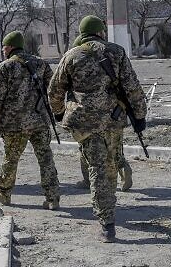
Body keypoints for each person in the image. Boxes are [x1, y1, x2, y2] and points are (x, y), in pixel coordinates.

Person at [49, 16, 147, 243]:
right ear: (101, 32)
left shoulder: (71, 56)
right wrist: (140, 116)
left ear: (82, 33)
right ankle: (107, 218)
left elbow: (54, 90)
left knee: (97, 168)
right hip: (113, 121)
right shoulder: (118, 52)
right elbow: (132, 87)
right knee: (110, 168)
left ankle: (107, 223)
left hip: (84, 124)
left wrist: (59, 112)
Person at [0, 31, 60, 209]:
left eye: (3, 47)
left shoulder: (5, 67)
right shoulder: (41, 64)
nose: (3, 50)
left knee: (11, 158)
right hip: (39, 121)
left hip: (14, 124)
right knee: (45, 157)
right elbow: (53, 90)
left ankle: (3, 191)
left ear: (9, 47)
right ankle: (53, 197)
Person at [67, 34, 132, 193]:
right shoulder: (115, 54)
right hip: (114, 114)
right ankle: (123, 169)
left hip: (86, 117)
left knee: (86, 149)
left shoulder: (76, 56)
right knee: (115, 148)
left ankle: (88, 180)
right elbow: (130, 86)